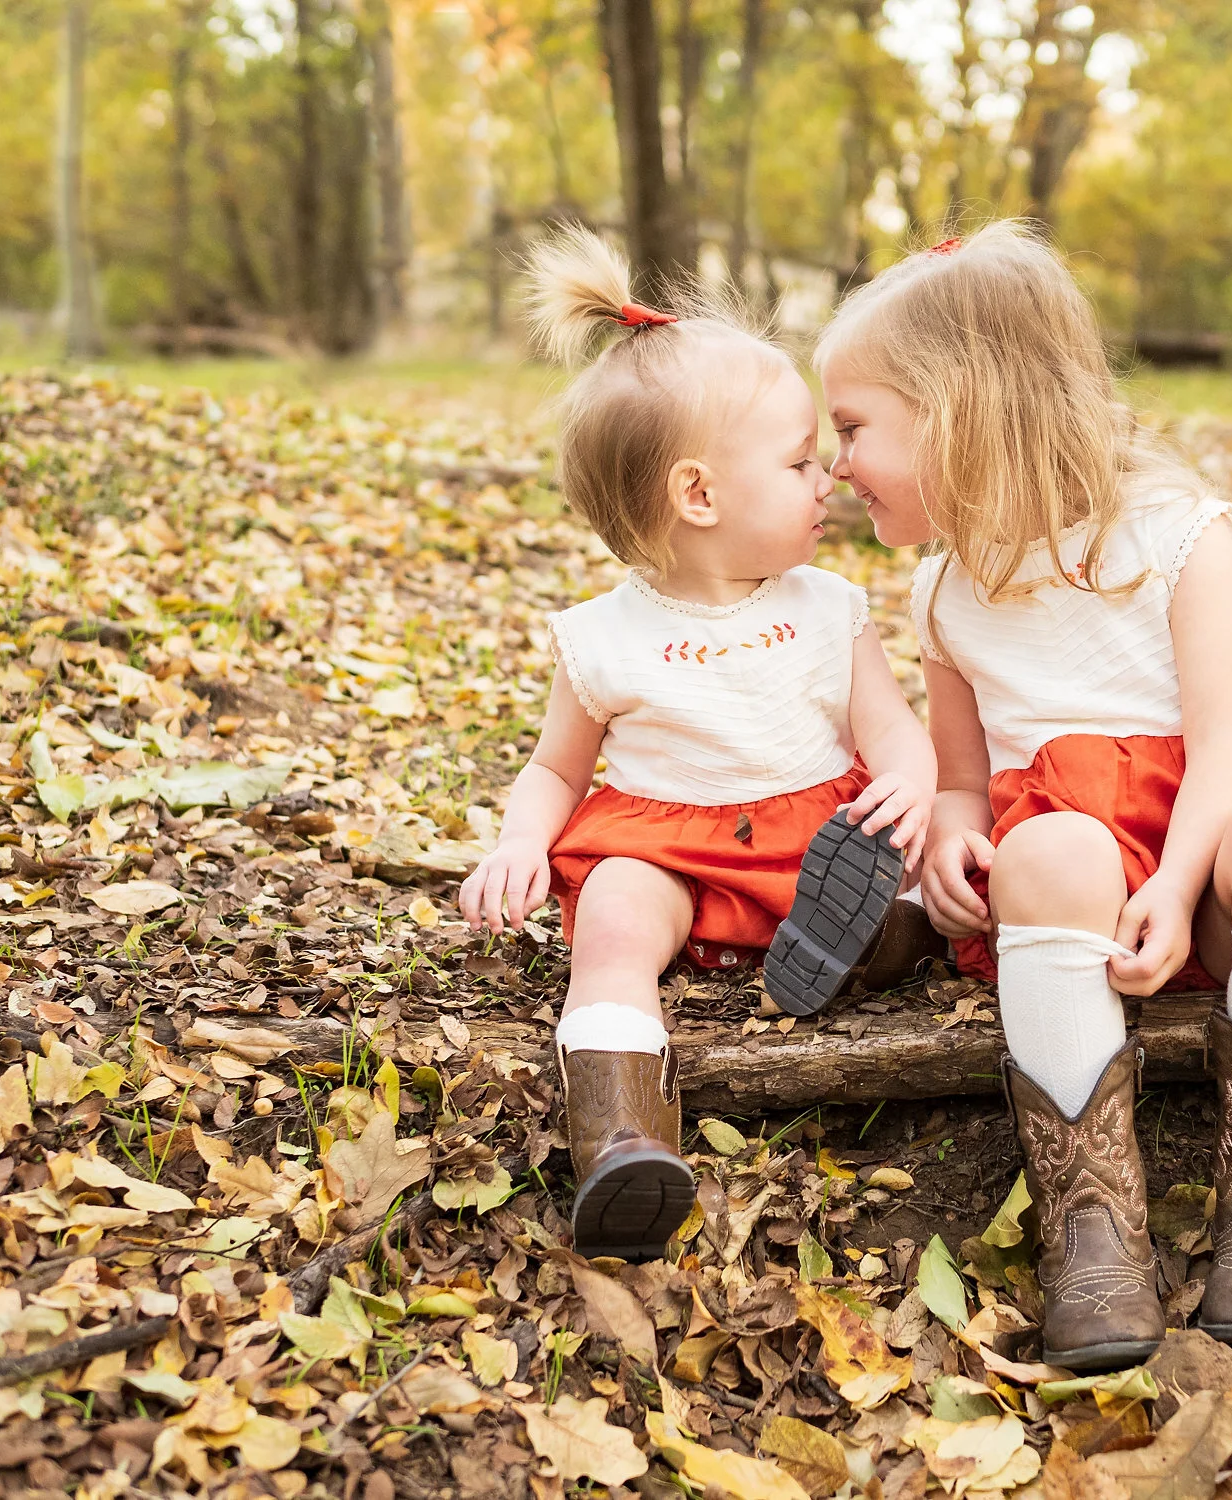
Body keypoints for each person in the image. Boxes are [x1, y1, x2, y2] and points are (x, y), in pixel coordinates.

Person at [816, 223, 1232, 1366]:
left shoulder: (1180, 538)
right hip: (1070, 886)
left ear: (958, 410)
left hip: (1206, 861)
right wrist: (954, 842)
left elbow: (1227, 743)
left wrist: (1174, 884)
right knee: (1046, 852)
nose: (834, 464)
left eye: (854, 428)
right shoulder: (945, 592)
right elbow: (964, 779)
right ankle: (1092, 1227)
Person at [460, 226, 937, 1260]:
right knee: (616, 924)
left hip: (817, 830)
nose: (829, 481)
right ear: (700, 495)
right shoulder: (602, 638)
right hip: (668, 847)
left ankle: (868, 938)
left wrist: (909, 779)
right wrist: (517, 844)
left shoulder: (827, 605)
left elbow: (888, 725)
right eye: (802, 462)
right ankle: (622, 1132)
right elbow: (556, 768)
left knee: (901, 851)